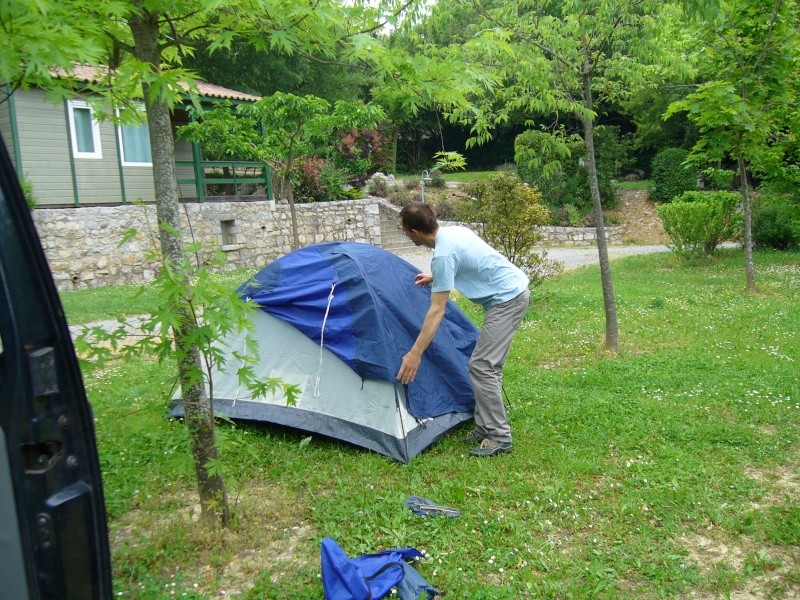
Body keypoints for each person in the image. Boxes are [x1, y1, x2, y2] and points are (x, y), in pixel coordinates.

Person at [396, 202, 530, 457]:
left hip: (508, 299)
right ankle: (486, 426)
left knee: (482, 367)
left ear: (414, 232)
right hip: (511, 292)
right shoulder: (454, 232)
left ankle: (499, 437)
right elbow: (472, 260)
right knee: (485, 366)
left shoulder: (444, 253)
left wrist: (415, 353)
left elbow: (437, 311)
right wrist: (437, 276)